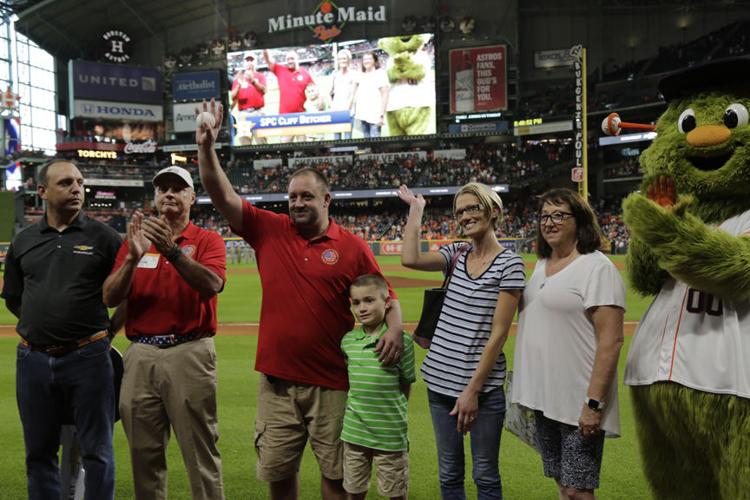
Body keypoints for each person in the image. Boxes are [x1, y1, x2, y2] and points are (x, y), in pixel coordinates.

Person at [195, 99, 404, 500]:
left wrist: (394, 331)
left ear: (327, 200)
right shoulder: (269, 230)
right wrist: (206, 148)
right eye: (292, 197)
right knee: (278, 471)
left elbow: (388, 297)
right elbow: (221, 195)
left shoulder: (352, 246)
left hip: (333, 383)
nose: (297, 204)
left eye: (307, 197)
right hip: (277, 383)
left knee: (336, 475)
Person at [102, 165, 226, 500]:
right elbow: (112, 298)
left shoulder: (207, 240)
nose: (168, 193)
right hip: (140, 354)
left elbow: (211, 285)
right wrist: (131, 258)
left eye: (177, 188)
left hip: (189, 351)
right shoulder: (135, 241)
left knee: (200, 453)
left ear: (191, 197)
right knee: (144, 456)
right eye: (162, 189)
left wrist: (171, 249)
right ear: (155, 197)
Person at [1, 159, 122, 500]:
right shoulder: (23, 241)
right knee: (38, 454)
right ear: (42, 191)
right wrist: (43, 326)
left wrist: (107, 334)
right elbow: (13, 297)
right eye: (66, 182)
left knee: (98, 452)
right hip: (34, 359)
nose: (77, 189)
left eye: (80, 183)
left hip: (89, 357)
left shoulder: (105, 237)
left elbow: (130, 293)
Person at [398, 183, 524, 500]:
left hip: (481, 391)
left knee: (485, 475)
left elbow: (499, 333)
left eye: (472, 208)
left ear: (493, 211)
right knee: (450, 475)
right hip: (439, 383)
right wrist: (416, 211)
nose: (465, 216)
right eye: (460, 212)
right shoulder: (457, 252)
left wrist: (472, 390)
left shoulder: (510, 264)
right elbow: (410, 258)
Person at [511, 188, 625, 500]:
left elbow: (612, 341)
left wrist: (593, 405)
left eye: (559, 215)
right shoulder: (540, 264)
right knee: (563, 483)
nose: (549, 222)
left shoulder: (596, 267)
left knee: (578, 489)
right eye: (544, 216)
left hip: (579, 401)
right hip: (545, 397)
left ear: (580, 220)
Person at [341, 274, 415, 500]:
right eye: (356, 303)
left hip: (390, 434)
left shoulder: (402, 341)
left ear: (387, 302)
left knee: (395, 492)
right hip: (355, 433)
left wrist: (392, 412)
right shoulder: (348, 342)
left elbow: (406, 384)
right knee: (353, 491)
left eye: (369, 300)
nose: (362, 308)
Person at [230, 51, 267, 145]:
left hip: (258, 113)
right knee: (245, 142)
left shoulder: (260, 76)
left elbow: (264, 91)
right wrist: (238, 84)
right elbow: (233, 96)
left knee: (262, 142)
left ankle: (264, 158)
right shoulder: (239, 77)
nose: (249, 62)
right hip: (243, 114)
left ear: (256, 62)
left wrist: (253, 80)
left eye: (251, 60)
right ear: (244, 62)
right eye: (247, 60)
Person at [263, 48, 313, 114]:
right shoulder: (280, 70)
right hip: (284, 115)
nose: (290, 61)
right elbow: (269, 61)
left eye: (292, 59)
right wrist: (265, 49)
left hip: (301, 113)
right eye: (288, 59)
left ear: (297, 59)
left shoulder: (305, 74)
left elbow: (314, 91)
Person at [351, 52, 389, 138]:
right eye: (364, 59)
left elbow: (385, 95)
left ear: (375, 61)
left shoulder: (380, 74)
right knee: (367, 142)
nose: (366, 61)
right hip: (362, 114)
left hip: (375, 115)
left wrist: (381, 114)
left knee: (375, 143)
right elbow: (353, 91)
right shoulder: (361, 75)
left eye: (369, 59)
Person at [330, 48, 357, 140]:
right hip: (336, 111)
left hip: (348, 111)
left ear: (349, 60)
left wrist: (347, 110)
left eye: (344, 58)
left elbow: (353, 94)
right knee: (336, 138)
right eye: (340, 59)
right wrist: (332, 106)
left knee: (347, 138)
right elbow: (329, 92)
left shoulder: (353, 74)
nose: (342, 61)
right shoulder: (334, 75)